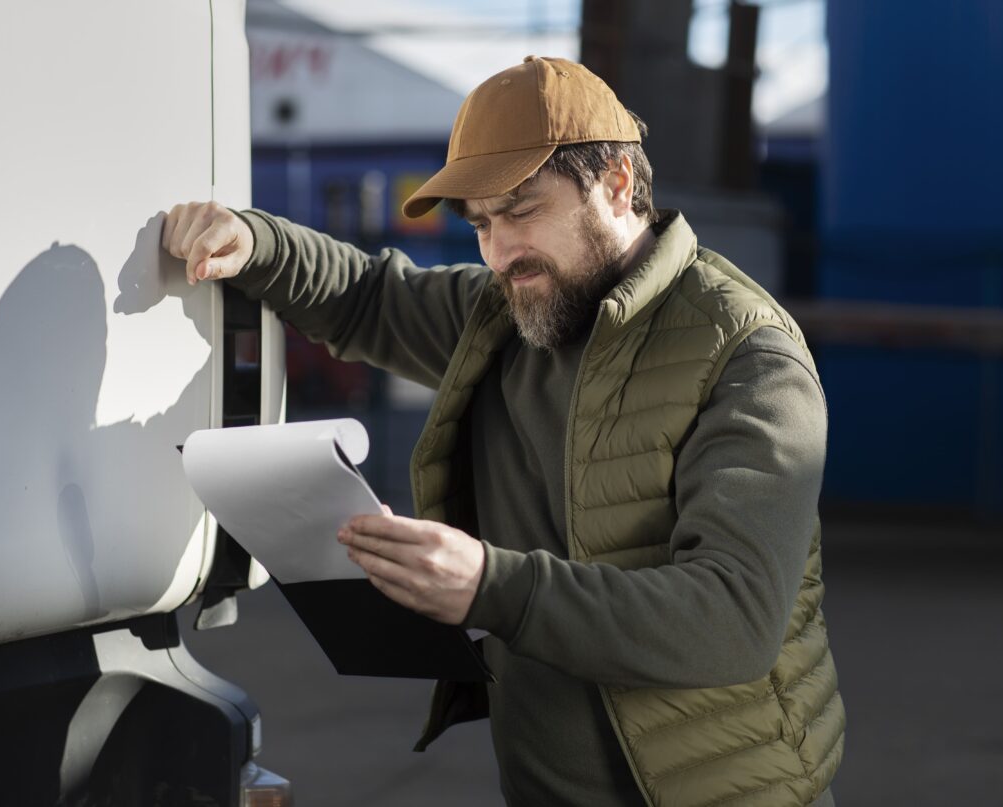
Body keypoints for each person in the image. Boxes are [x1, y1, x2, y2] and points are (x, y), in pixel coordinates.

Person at [162, 55, 844, 807]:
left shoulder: (745, 356)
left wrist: (492, 586)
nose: (498, 250)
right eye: (482, 223)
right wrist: (251, 240)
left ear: (617, 184)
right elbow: (367, 298)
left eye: (521, 210)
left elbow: (733, 619)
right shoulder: (507, 313)